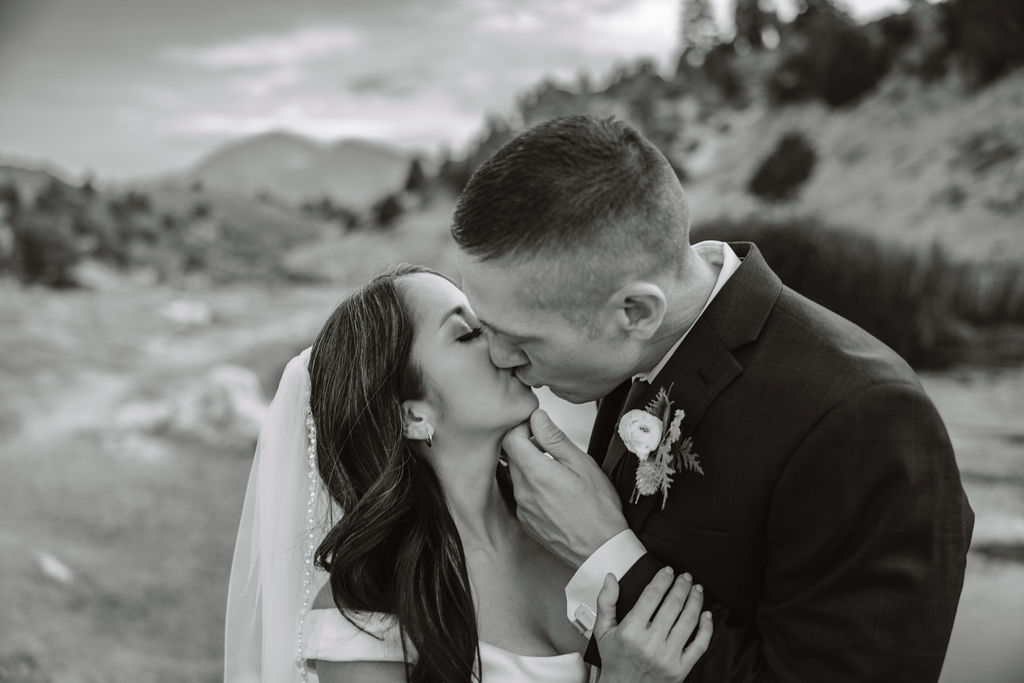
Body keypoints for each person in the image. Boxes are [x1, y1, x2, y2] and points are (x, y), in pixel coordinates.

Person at [451, 115, 975, 682]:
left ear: (636, 312)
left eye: (522, 340)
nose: (500, 358)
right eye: (486, 327)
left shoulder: (865, 419)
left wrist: (605, 554)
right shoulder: (630, 361)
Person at [224, 264, 713, 683]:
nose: (504, 341)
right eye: (468, 333)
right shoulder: (366, 615)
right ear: (412, 416)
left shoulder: (580, 514)